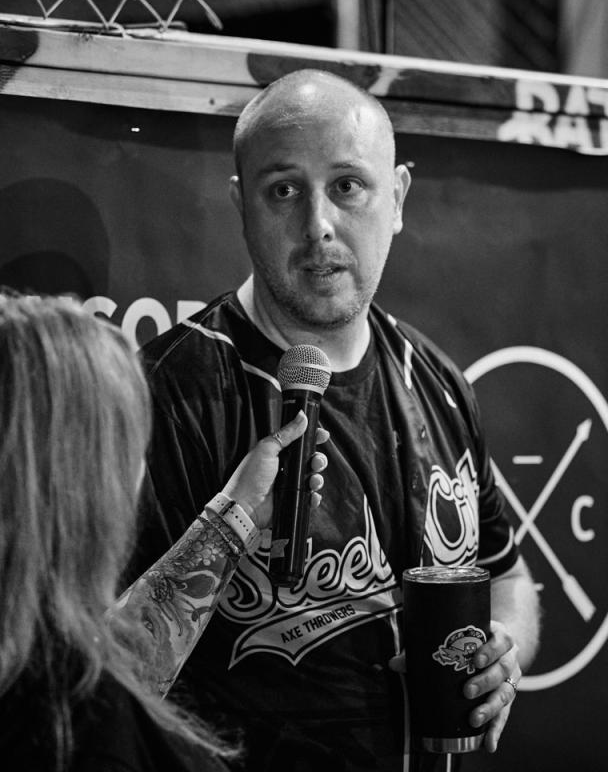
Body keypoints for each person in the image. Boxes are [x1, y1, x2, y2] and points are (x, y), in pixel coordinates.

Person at [120, 69, 541, 771]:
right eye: (284, 190)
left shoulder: (438, 383)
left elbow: (507, 578)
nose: (318, 224)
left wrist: (502, 648)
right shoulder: (164, 394)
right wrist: (227, 529)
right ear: (241, 204)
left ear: (397, 198)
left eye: (347, 185)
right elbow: (96, 683)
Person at [0, 293, 326, 772]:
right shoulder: (81, 735)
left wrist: (238, 512)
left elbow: (89, 664)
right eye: (131, 445)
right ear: (84, 487)